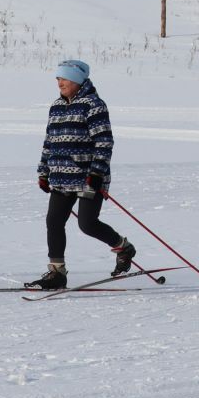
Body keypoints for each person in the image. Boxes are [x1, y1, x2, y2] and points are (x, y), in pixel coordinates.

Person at [25, 59, 135, 291]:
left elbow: (104, 142)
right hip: (61, 178)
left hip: (88, 177)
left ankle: (123, 247)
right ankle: (57, 272)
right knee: (53, 221)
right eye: (57, 78)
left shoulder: (94, 105)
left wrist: (96, 174)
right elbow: (49, 142)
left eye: (63, 78)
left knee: (87, 224)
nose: (59, 83)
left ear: (77, 80)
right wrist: (44, 171)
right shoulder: (56, 106)